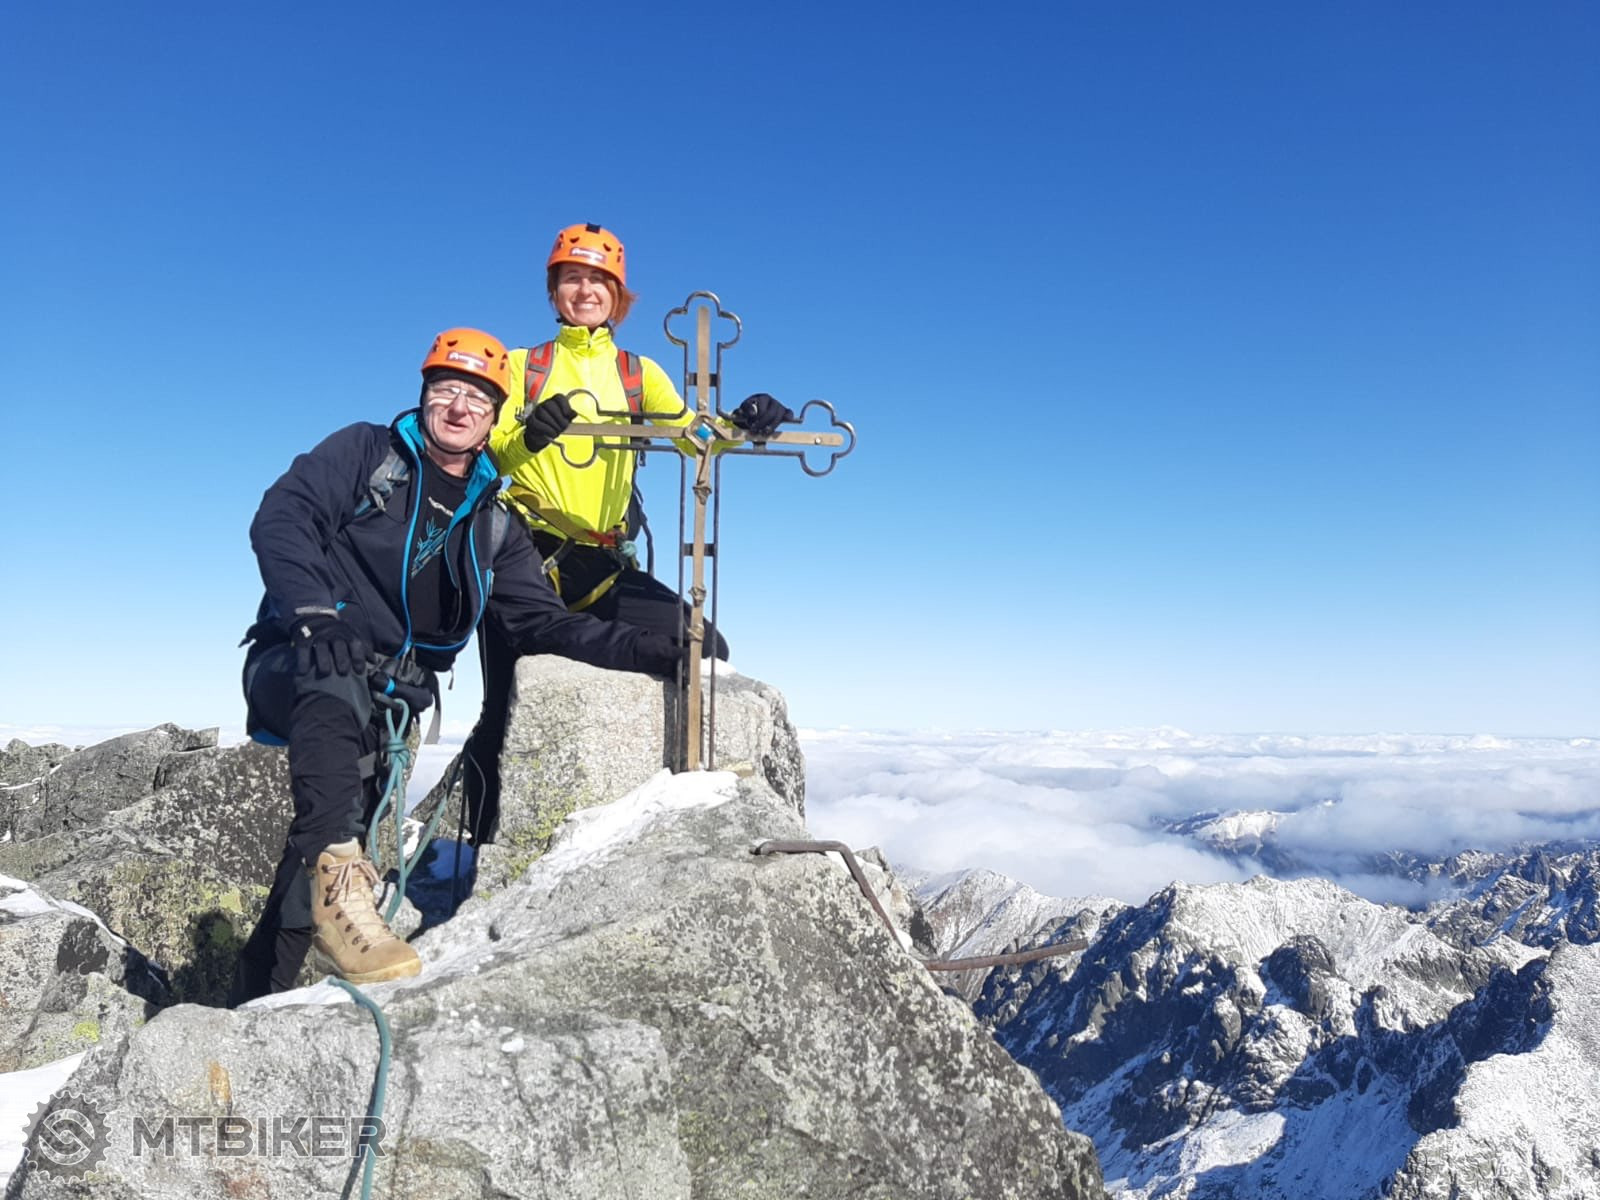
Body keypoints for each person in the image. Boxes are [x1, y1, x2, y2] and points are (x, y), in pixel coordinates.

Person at [229, 327, 683, 1005]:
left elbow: (543, 622)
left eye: (478, 397)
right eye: (446, 389)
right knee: (334, 838)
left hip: (385, 706)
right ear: (423, 395)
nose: (459, 407)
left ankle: (248, 1005)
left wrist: (648, 647)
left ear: (495, 417)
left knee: (315, 857)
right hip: (301, 659)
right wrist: (314, 614)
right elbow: (284, 515)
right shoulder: (366, 453)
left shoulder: (493, 523)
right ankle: (339, 896)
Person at [459, 222, 792, 844]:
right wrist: (529, 437)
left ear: (618, 296)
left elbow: (694, 438)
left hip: (604, 561)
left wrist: (748, 421)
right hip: (522, 551)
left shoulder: (638, 375)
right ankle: (482, 849)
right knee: (501, 708)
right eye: (572, 278)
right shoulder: (522, 367)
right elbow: (485, 458)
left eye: (599, 280)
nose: (585, 290)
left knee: (703, 647)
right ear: (554, 290)